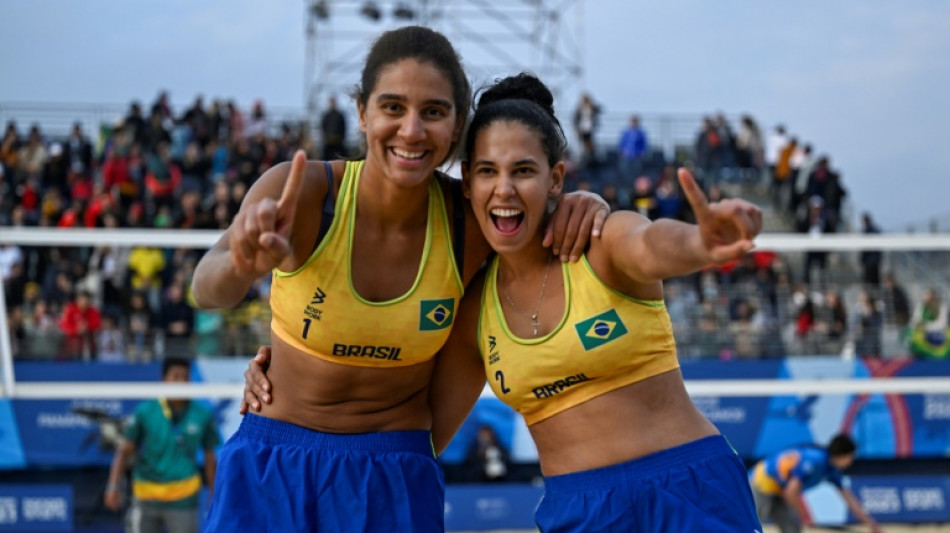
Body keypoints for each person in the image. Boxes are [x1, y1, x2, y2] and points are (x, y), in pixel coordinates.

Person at [248, 72, 763, 532]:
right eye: (488, 171)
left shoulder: (601, 244)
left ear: (555, 178)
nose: (505, 189)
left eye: (523, 170)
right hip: (577, 510)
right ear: (467, 183)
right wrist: (291, 384)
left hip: (687, 486)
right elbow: (416, 429)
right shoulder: (473, 308)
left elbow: (653, 245)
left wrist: (701, 244)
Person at [192, 26, 608, 532]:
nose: (411, 130)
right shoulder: (303, 192)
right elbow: (205, 288)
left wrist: (587, 203)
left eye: (433, 112)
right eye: (393, 108)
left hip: (394, 476)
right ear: (362, 111)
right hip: (274, 462)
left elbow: (540, 204)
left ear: (456, 127)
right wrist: (241, 265)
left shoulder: (471, 221)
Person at [104, 357, 220, 533]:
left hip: (183, 499)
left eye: (185, 377)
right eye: (175, 376)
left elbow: (210, 457)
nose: (181, 382)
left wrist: (215, 493)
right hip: (146, 496)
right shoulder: (146, 411)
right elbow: (124, 451)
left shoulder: (202, 414)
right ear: (164, 380)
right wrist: (113, 485)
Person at [749, 433, 883, 533]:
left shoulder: (832, 470)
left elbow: (849, 499)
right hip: (761, 482)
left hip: (780, 490)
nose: (851, 462)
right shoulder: (815, 461)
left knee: (793, 530)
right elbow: (791, 492)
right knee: (752, 526)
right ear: (842, 455)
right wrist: (805, 516)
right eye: (850, 457)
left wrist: (870, 523)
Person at [320, 95, 347, 160]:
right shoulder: (326, 116)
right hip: (328, 145)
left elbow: (343, 128)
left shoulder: (339, 115)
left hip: (339, 145)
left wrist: (339, 138)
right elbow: (323, 128)